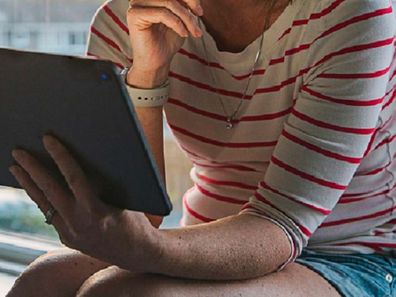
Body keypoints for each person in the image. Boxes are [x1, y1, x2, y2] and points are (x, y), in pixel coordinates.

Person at [6, 0, 396, 296]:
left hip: (351, 255)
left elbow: (279, 224)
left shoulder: (353, 15)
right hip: (207, 235)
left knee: (116, 293)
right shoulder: (130, 17)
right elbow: (141, 216)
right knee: (40, 282)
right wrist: (148, 76)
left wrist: (147, 249)